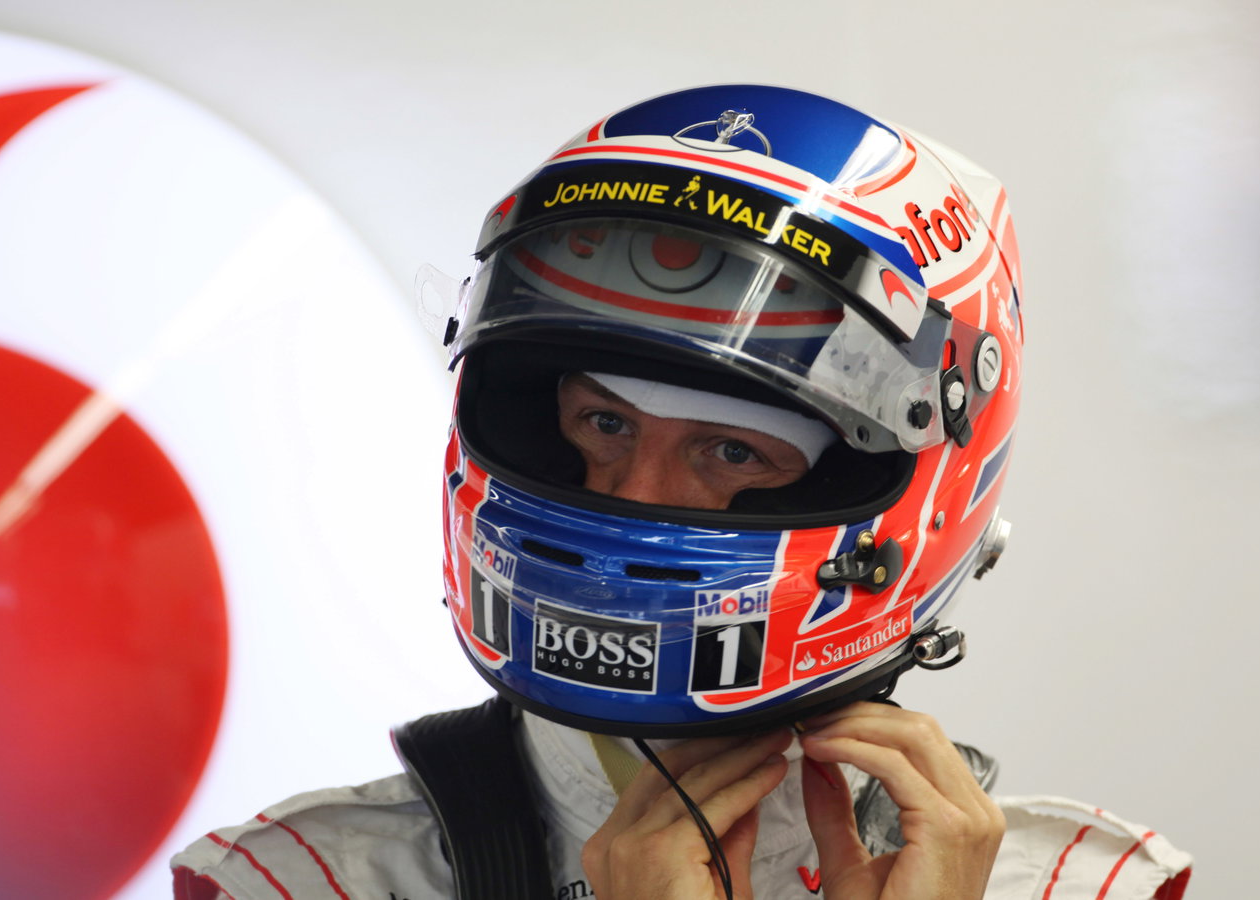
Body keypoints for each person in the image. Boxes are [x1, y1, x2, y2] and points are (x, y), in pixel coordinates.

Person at [171, 84, 1193, 900]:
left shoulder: (1084, 886)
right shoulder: (301, 882)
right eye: (605, 424)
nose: (635, 491)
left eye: (731, 452)